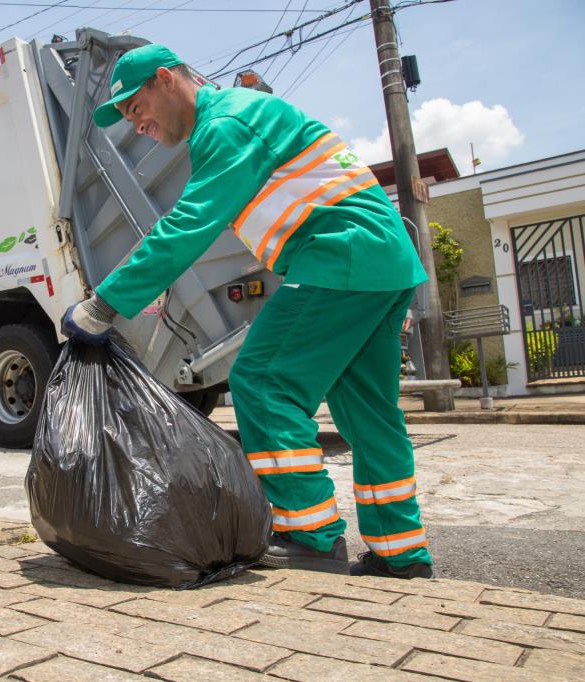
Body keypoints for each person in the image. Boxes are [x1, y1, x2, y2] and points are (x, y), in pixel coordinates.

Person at [62, 43, 433, 579]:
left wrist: (103, 305)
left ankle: (309, 535)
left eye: (134, 107)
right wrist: (162, 285)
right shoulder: (239, 118)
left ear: (165, 80)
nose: (134, 123)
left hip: (341, 254)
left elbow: (189, 223)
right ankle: (402, 555)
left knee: (263, 381)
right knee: (370, 415)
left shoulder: (226, 124)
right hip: (382, 261)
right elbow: (208, 226)